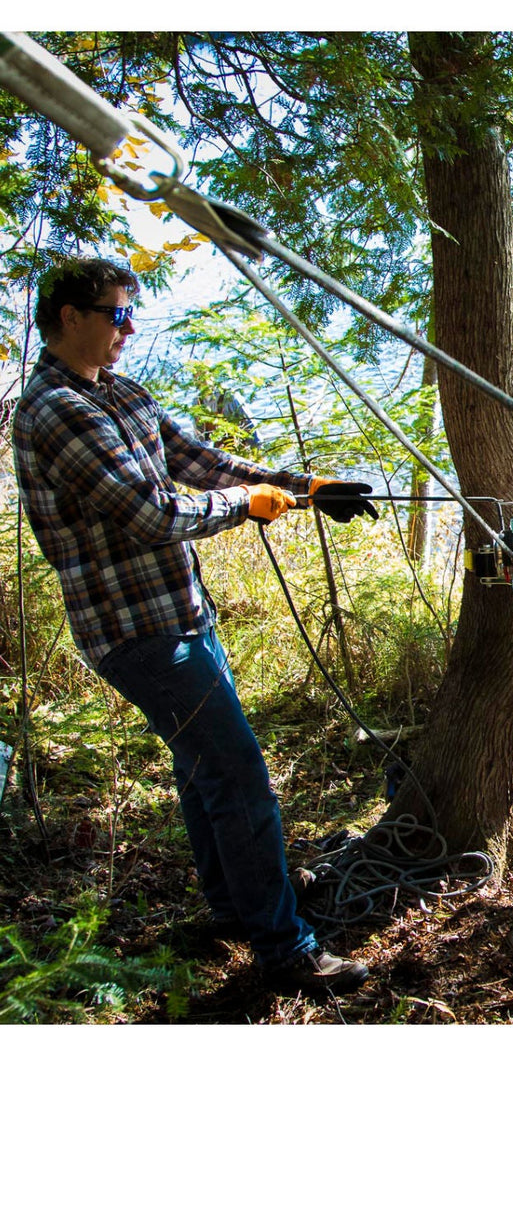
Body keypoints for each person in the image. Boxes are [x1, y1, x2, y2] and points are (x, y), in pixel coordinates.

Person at [11, 258, 379, 994]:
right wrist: (247, 506)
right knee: (240, 778)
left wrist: (303, 488)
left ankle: (232, 907)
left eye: (129, 313)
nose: (129, 327)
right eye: (117, 314)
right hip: (139, 635)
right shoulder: (57, 412)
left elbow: (200, 461)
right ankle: (285, 949)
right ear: (70, 316)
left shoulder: (118, 392)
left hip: (182, 617)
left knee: (204, 769)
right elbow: (153, 515)